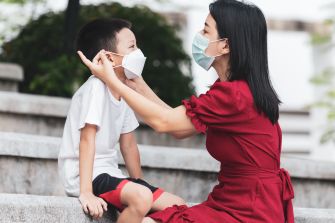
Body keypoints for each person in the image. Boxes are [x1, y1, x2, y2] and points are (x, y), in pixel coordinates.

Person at [77, 0, 295, 222]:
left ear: (225, 46)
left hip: (249, 210)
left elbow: (165, 122)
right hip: (236, 201)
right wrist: (138, 85)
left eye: (206, 30)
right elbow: (178, 127)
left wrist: (112, 81)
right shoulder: (236, 92)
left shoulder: (234, 96)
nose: (199, 35)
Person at [58, 18, 185, 223]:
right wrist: (86, 192)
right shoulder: (95, 89)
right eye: (132, 46)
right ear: (108, 57)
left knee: (178, 206)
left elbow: (129, 146)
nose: (138, 52)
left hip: (110, 173)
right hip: (87, 176)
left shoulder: (122, 89)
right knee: (142, 198)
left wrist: (140, 183)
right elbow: (87, 140)